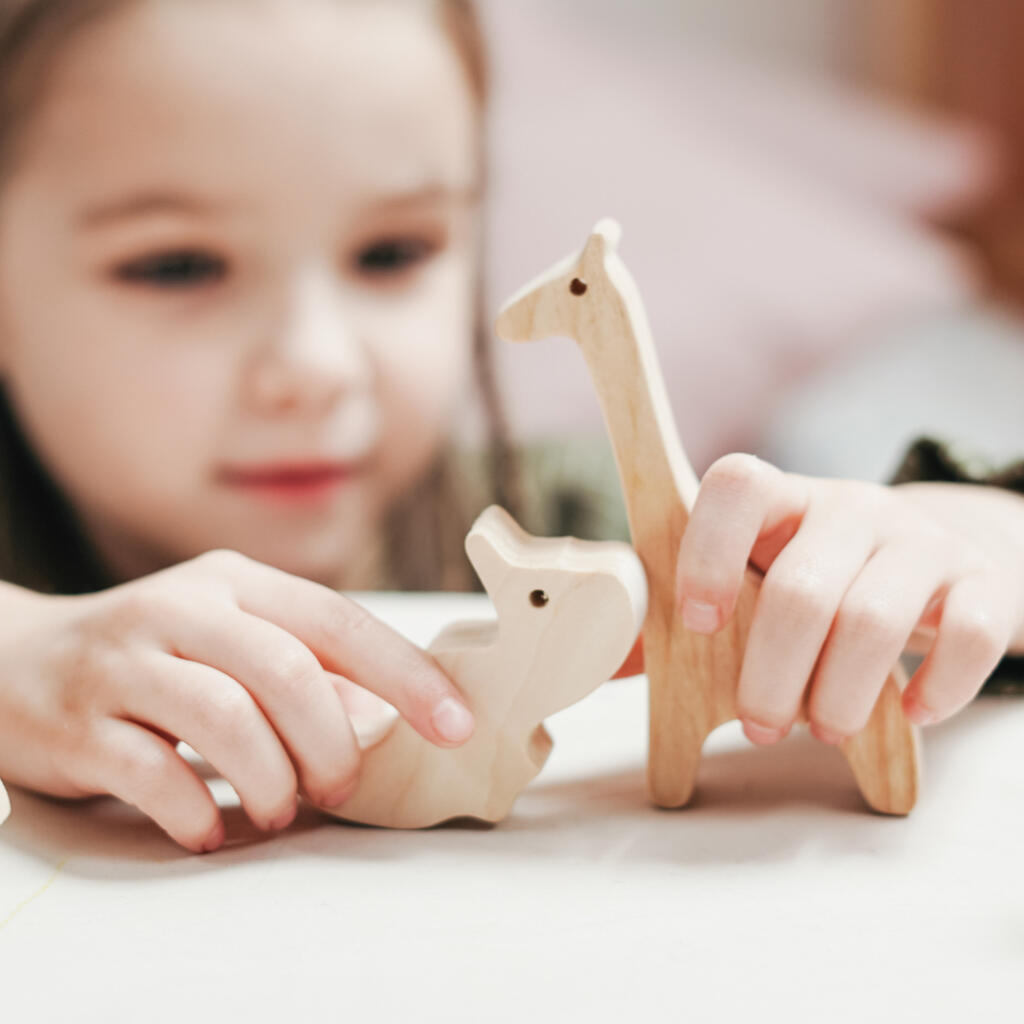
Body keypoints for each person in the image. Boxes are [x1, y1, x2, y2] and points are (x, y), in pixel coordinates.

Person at [0, 0, 1021, 855]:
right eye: (176, 265)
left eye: (394, 252)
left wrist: (972, 537)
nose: (316, 368)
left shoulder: (581, 525)